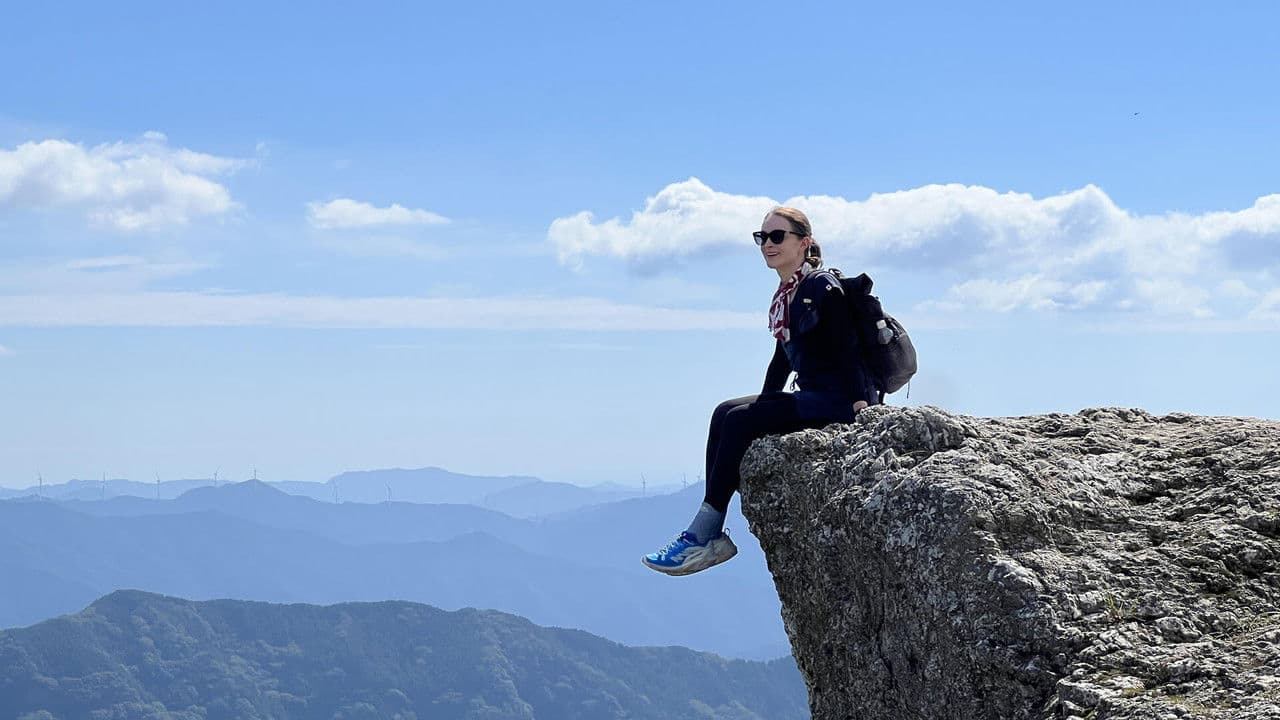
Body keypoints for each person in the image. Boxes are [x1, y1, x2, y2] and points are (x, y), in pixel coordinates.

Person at [642, 206, 878, 576]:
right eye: (762, 237)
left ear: (805, 243)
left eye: (777, 236)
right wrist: (766, 401)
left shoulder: (820, 287)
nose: (768, 244)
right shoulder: (790, 293)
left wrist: (863, 408)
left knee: (739, 421)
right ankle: (711, 528)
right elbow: (782, 359)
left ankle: (704, 535)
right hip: (813, 396)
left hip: (837, 402)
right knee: (725, 412)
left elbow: (846, 348)